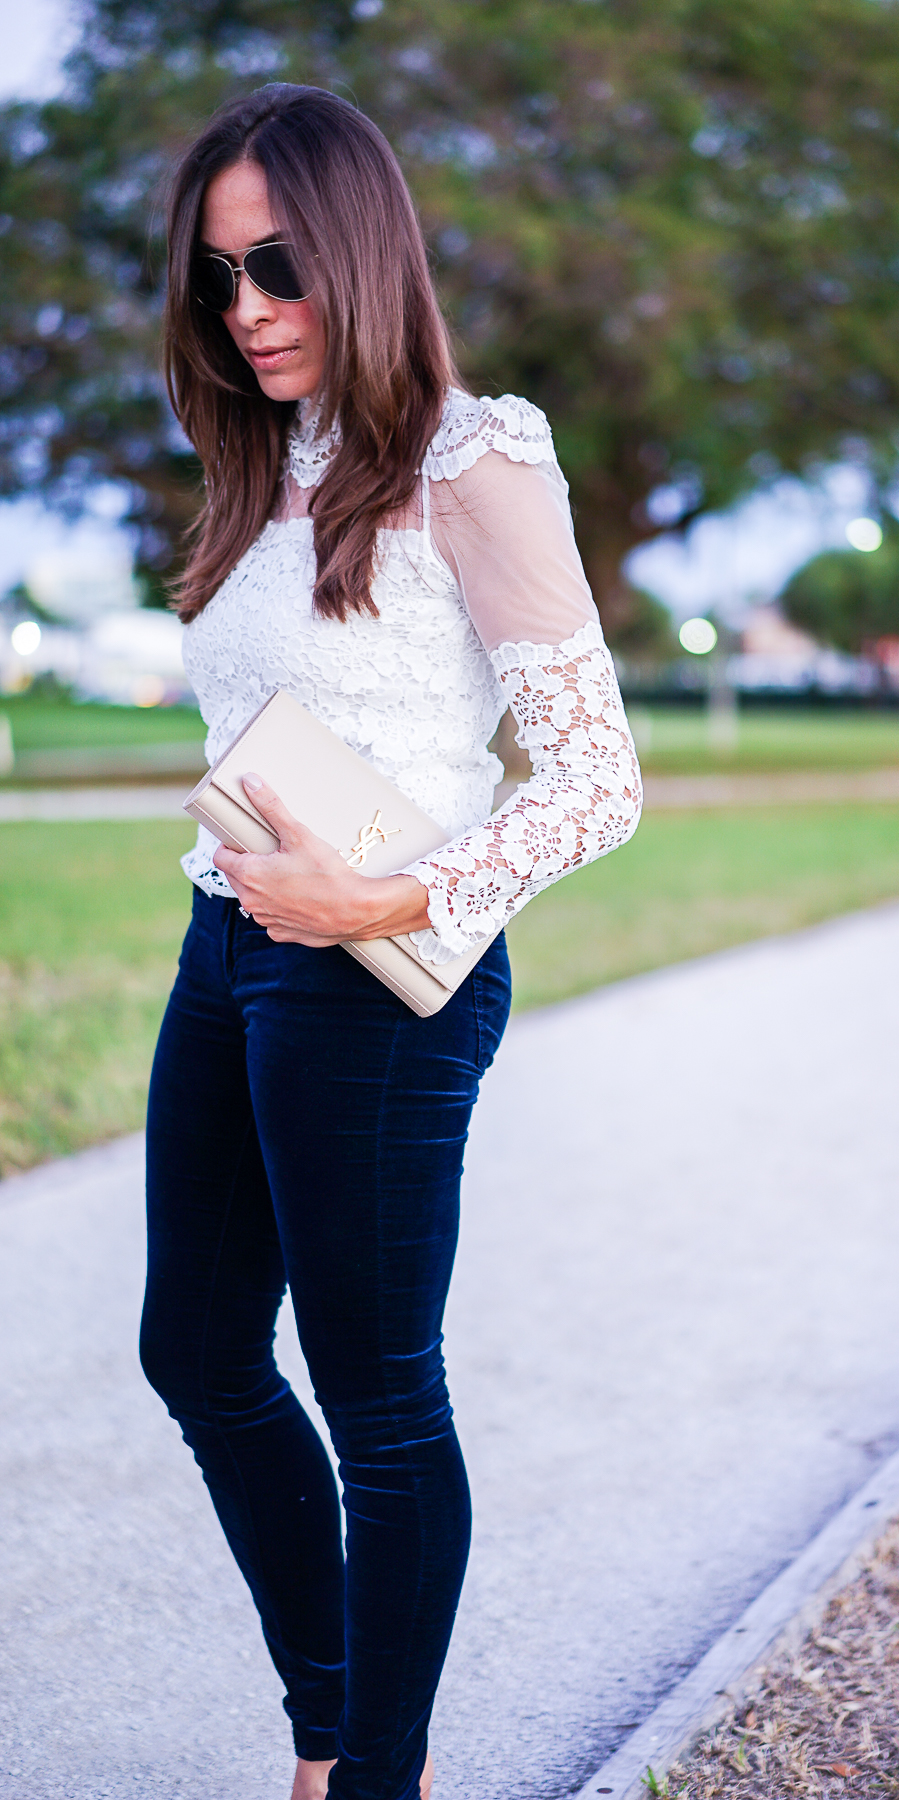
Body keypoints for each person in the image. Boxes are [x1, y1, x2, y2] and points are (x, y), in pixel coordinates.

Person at [139, 82, 642, 1800]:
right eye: (216, 280)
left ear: (359, 247)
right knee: (196, 1355)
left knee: (378, 1398)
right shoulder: (263, 463)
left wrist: (380, 899)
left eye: (275, 266)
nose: (248, 309)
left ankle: (375, 1771)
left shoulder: (473, 458)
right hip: (230, 952)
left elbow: (601, 785)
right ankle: (330, 1721)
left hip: (384, 977)